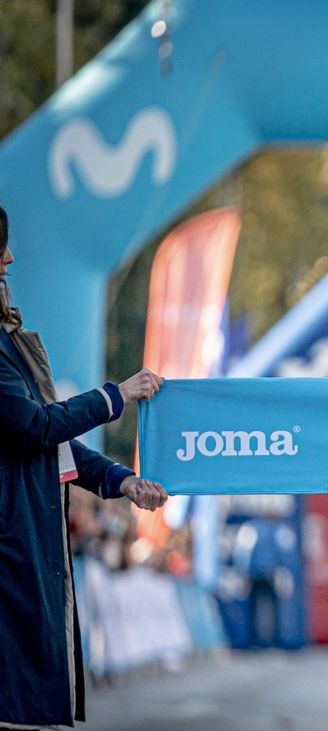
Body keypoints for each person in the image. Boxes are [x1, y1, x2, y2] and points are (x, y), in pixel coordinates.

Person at [0, 203, 169, 728]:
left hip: (28, 545)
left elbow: (52, 441)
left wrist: (123, 480)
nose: (8, 259)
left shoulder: (10, 343)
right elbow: (36, 426)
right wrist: (114, 396)